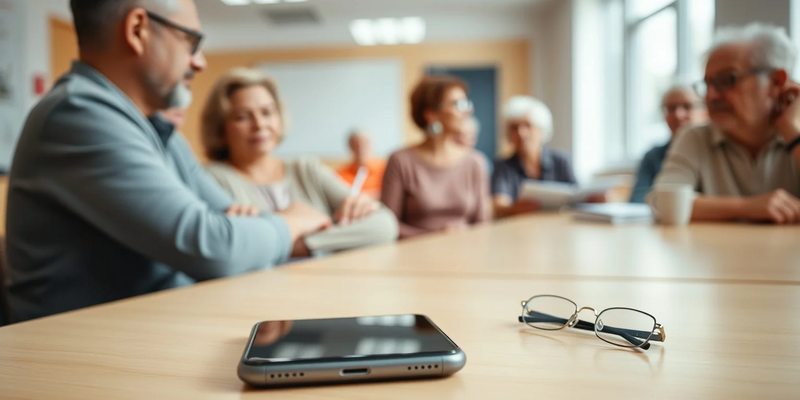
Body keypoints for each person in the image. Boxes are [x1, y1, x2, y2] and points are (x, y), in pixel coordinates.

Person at [4, 0, 329, 322]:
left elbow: (233, 220)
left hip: (151, 330)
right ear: (137, 30)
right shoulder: (78, 115)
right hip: (77, 356)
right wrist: (293, 219)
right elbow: (216, 246)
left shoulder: (158, 131)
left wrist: (245, 232)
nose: (199, 62)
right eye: (191, 41)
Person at [202, 68, 398, 256]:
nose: (260, 124)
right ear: (221, 127)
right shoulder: (210, 179)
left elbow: (383, 226)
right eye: (243, 117)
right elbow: (225, 247)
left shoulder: (306, 169)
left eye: (267, 112)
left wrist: (296, 245)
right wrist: (297, 223)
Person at [651, 23, 800, 224]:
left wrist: (793, 132)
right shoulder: (695, 136)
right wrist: (748, 207)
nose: (710, 96)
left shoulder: (795, 135)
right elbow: (662, 201)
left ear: (776, 81)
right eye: (707, 84)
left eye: (727, 79)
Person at [381, 75, 490, 239]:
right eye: (457, 104)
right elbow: (387, 226)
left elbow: (483, 225)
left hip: (466, 255)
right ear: (431, 114)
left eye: (466, 102)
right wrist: (435, 237)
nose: (467, 110)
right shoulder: (400, 161)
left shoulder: (475, 162)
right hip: (414, 257)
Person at [491, 96, 577, 218]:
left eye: (528, 126)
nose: (521, 133)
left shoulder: (562, 161)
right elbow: (499, 206)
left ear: (542, 130)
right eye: (514, 128)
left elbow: (577, 198)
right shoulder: (502, 166)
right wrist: (515, 209)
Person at [630, 85, 708, 203]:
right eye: (671, 108)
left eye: (687, 106)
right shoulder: (652, 157)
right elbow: (638, 200)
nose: (678, 114)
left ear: (705, 112)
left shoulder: (717, 152)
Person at [336, 131, 387, 199]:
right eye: (356, 144)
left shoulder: (385, 169)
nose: (361, 148)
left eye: (365, 143)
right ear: (350, 147)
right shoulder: (340, 174)